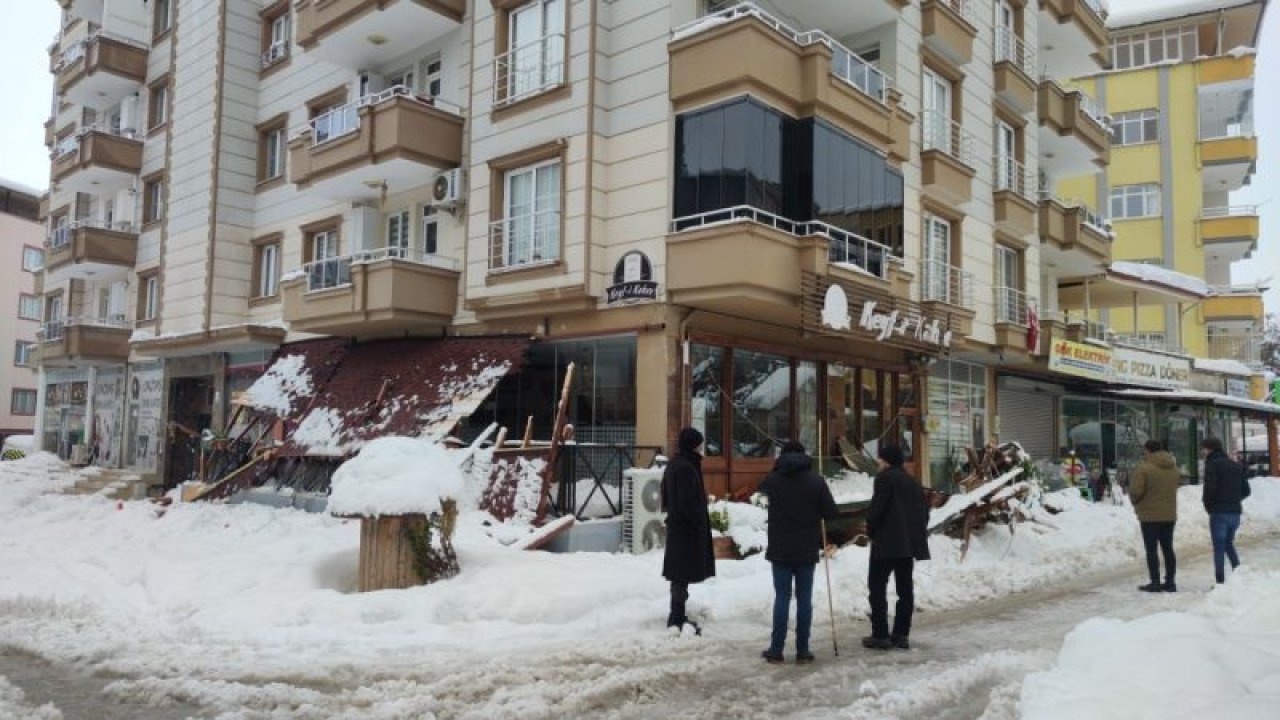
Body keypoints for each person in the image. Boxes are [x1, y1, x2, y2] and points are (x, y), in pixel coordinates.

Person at [757, 441, 838, 665]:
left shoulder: (773, 479)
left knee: (782, 597)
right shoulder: (816, 481)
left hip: (780, 548)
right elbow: (831, 513)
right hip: (805, 548)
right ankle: (803, 650)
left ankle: (776, 649)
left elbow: (761, 494)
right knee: (804, 599)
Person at [863, 444, 930, 651]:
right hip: (907, 546)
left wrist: (871, 530)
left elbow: (877, 510)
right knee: (905, 590)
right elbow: (924, 515)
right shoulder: (914, 483)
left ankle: (880, 635)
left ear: (887, 460)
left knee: (877, 587)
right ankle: (901, 634)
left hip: (885, 544)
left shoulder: (884, 479)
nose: (878, 463)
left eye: (880, 459)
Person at [661, 426, 715, 633]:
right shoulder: (685, 467)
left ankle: (677, 614)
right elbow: (686, 502)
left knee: (679, 574)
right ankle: (676, 618)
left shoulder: (677, 464)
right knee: (681, 575)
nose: (701, 448)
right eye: (699, 444)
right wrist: (698, 521)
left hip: (679, 527)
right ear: (693, 444)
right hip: (686, 530)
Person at [1129, 440, 1180, 592]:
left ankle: (1155, 582)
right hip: (1169, 514)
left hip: (1149, 516)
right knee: (1168, 548)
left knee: (1152, 550)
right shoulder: (1173, 468)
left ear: (1148, 451)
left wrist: (1135, 501)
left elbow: (1135, 491)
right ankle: (1170, 582)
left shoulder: (1144, 469)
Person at [1201, 437, 1247, 584]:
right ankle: (1238, 574)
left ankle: (1220, 582)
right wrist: (1233, 499)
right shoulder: (1235, 465)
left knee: (1219, 547)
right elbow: (1246, 490)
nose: (1203, 452)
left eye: (1204, 448)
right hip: (1235, 512)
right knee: (1228, 543)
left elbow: (1209, 490)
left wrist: (1209, 506)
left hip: (1219, 512)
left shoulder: (1212, 465)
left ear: (1210, 449)